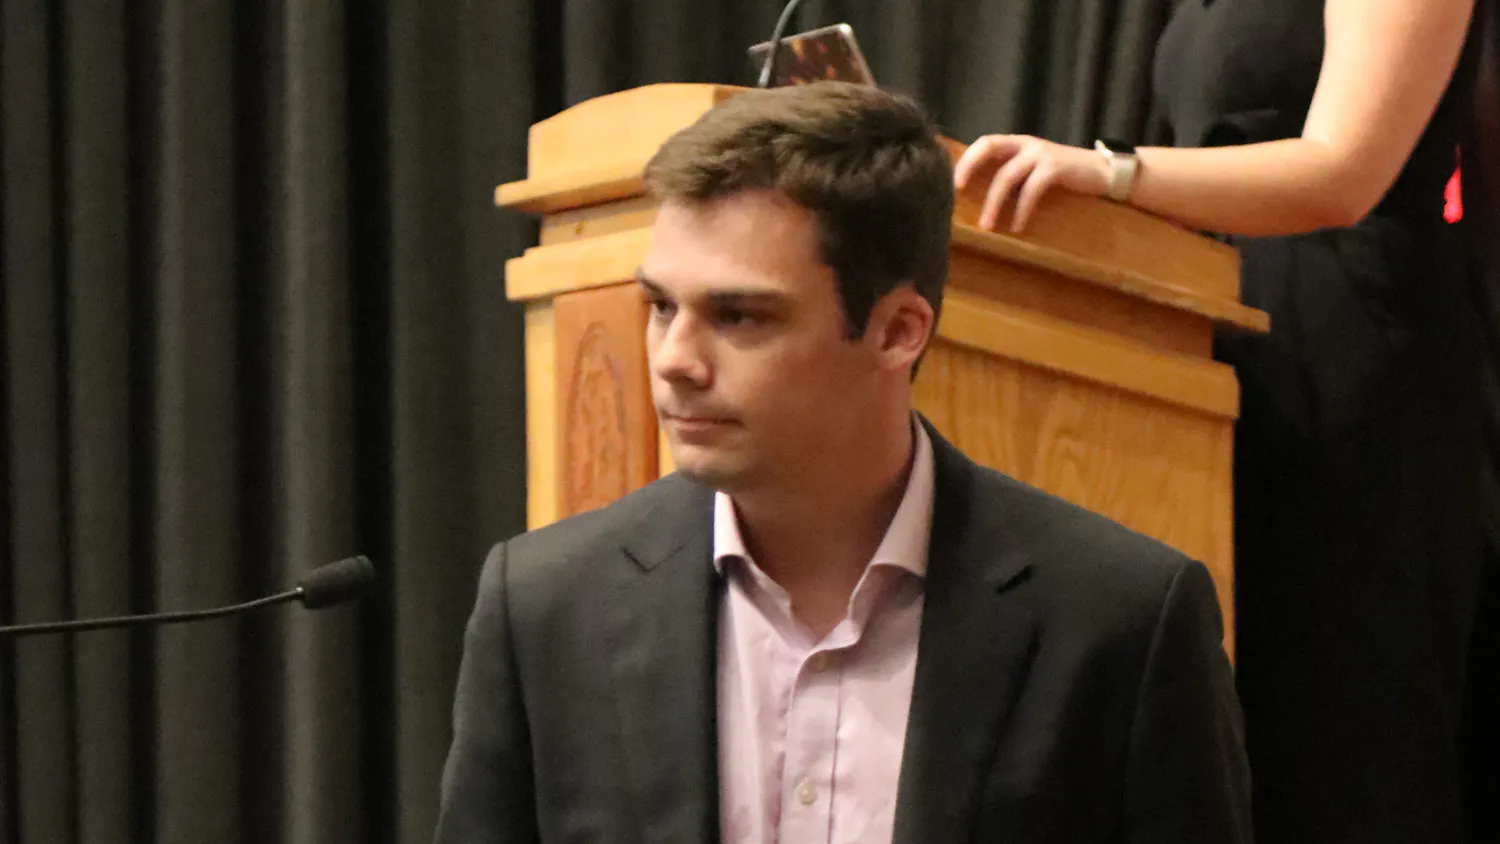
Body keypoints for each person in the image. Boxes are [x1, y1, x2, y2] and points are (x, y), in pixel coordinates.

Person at [433, 81, 1251, 844]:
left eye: (739, 315)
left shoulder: (1121, 620)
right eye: (660, 307)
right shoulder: (543, 608)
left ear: (899, 331)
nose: (675, 359)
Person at [954, 1, 1486, 842]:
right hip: (1222, 326)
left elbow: (1344, 172)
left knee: (1348, 738)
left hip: (1347, 339)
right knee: (1238, 736)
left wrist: (1112, 175)